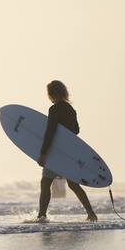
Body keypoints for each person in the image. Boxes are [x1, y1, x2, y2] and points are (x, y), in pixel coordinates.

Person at [36, 80, 98, 222]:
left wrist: (43, 153)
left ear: (53, 93)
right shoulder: (70, 109)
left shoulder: (54, 109)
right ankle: (91, 213)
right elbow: (76, 130)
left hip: (56, 153)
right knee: (73, 184)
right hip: (69, 153)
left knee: (45, 183)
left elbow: (50, 132)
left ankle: (42, 215)